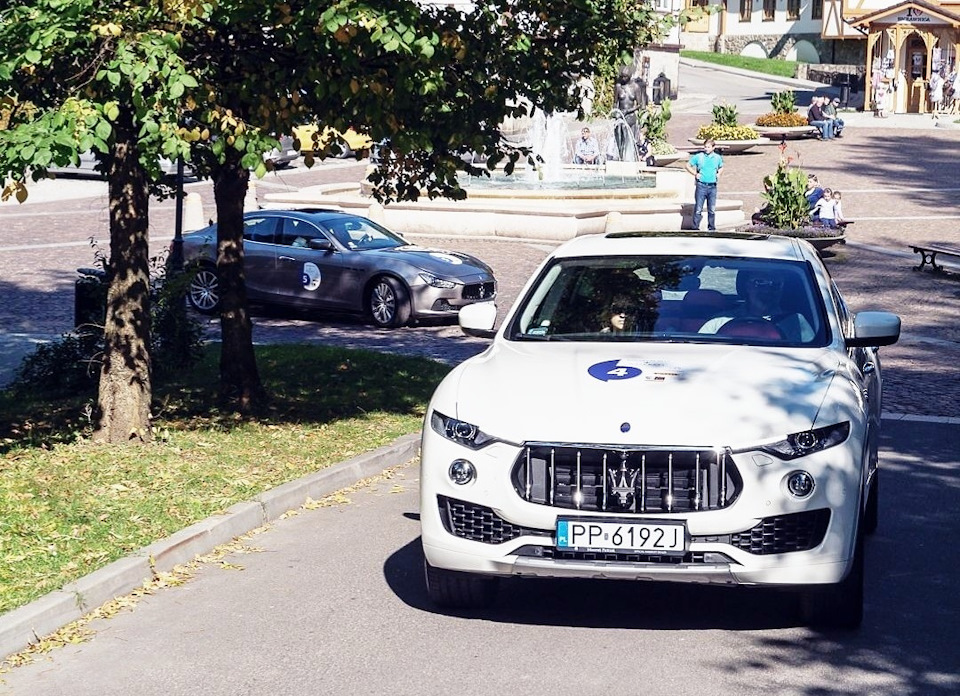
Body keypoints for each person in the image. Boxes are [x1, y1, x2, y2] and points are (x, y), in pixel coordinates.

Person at [698, 269, 815, 343]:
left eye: (775, 284)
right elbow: (698, 352)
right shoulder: (719, 321)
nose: (767, 290)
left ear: (782, 289)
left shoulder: (797, 322)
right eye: (759, 283)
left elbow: (817, 355)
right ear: (746, 286)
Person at [685, 139, 724, 231]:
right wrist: (695, 174)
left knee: (712, 209)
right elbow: (687, 165)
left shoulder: (717, 158)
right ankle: (695, 227)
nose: (706, 149)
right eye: (705, 147)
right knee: (698, 208)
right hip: (701, 185)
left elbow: (721, 167)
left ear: (713, 148)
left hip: (712, 186)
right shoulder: (699, 157)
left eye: (708, 147)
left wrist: (718, 174)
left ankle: (711, 227)